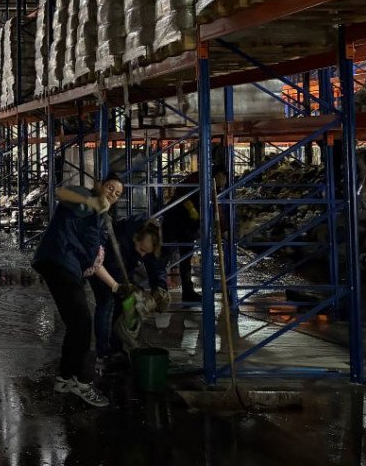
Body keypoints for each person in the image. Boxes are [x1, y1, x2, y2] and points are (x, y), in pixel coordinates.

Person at [31, 174, 124, 408]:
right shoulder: (84, 196)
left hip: (68, 268)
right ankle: (82, 382)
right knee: (82, 324)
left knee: (77, 325)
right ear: (100, 185)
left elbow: (96, 262)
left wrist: (116, 286)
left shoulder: (101, 221)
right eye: (110, 187)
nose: (113, 193)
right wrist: (93, 203)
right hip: (58, 260)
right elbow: (61, 193)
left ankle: (64, 378)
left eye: (118, 193)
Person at [90, 218, 169, 365]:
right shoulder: (120, 238)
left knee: (123, 306)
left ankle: (117, 349)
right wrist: (127, 288)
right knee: (106, 302)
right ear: (135, 238)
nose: (144, 255)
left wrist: (160, 287)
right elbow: (113, 267)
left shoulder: (150, 239)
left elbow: (156, 266)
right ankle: (104, 353)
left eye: (148, 252)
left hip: (124, 268)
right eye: (142, 250)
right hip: (101, 268)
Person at [161, 167, 228, 302]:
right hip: (174, 220)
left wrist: (223, 229)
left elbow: (217, 209)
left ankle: (188, 292)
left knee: (186, 259)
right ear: (220, 174)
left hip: (189, 226)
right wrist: (190, 207)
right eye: (225, 179)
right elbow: (181, 192)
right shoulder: (198, 178)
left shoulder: (213, 187)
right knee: (164, 256)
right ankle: (159, 291)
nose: (224, 183)